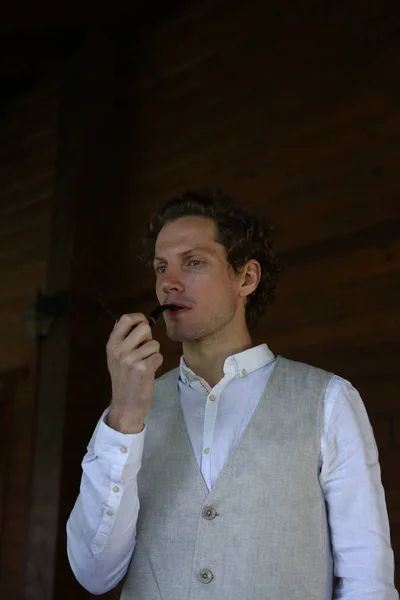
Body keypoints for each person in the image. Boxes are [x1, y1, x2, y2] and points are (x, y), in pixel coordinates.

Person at [67, 189, 398, 599]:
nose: (168, 283)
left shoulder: (329, 401)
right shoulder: (128, 414)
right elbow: (93, 574)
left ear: (246, 277)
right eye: (160, 267)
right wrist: (124, 418)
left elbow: (368, 582)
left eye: (193, 262)